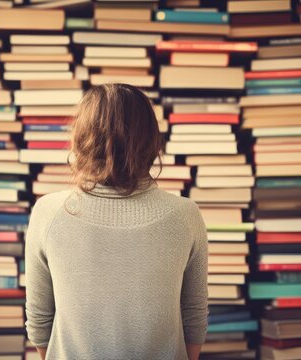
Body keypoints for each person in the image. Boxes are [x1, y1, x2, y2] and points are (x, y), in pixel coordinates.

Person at [25, 83, 209, 360]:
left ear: (81, 139)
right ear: (151, 141)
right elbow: (194, 321)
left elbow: (40, 325)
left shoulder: (48, 212)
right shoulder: (185, 215)